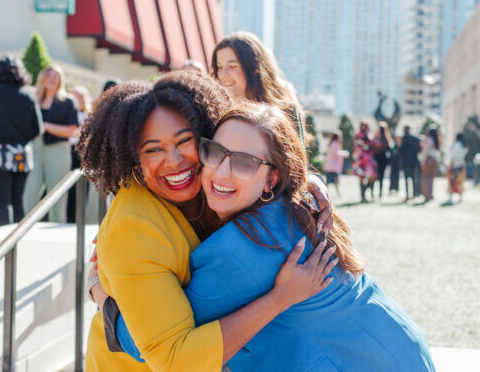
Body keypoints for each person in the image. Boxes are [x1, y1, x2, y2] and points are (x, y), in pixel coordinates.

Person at [108, 103, 436, 372]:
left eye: (245, 163)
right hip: (399, 350)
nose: (222, 171)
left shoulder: (245, 249)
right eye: (214, 152)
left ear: (272, 178)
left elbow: (152, 341)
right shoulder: (291, 210)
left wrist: (102, 294)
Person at [76, 71, 334, 372]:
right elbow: (175, 360)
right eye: (153, 149)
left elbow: (256, 153)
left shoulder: (210, 177)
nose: (174, 161)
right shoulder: (133, 227)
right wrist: (281, 298)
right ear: (133, 159)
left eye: (185, 141)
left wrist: (302, 183)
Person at [0, 55, 42, 226]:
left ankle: (6, 247)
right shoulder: (28, 96)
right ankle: (18, 243)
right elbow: (38, 129)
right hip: (22, 155)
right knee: (18, 201)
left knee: (2, 203)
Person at [211, 31, 306, 144]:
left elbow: (296, 160)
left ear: (253, 68)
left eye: (232, 66)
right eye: (219, 67)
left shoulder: (286, 112)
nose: (223, 74)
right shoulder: (214, 112)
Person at [23, 65, 78, 223]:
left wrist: (46, 126)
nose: (51, 79)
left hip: (58, 149)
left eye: (55, 76)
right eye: (48, 75)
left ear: (60, 80)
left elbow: (72, 130)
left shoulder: (67, 101)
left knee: (56, 195)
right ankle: (27, 226)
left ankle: (56, 227)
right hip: (36, 148)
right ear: (42, 78)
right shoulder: (33, 99)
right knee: (30, 191)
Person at [67, 85, 92, 223]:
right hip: (69, 150)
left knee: (83, 186)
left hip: (83, 153)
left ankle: (80, 218)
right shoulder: (68, 113)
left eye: (78, 97)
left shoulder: (89, 115)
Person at [352, 120, 377, 203]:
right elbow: (356, 146)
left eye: (366, 125)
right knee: (362, 177)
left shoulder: (370, 134)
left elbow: (373, 145)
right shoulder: (358, 135)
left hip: (369, 160)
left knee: (373, 176)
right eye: (363, 125)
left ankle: (370, 192)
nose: (364, 127)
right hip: (361, 160)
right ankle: (363, 196)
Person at [371, 121, 393, 199]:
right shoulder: (376, 138)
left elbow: (390, 149)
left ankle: (380, 193)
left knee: (381, 177)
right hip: (376, 159)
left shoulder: (386, 138)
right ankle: (373, 193)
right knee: (375, 176)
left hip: (382, 160)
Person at [445, 133, 468, 205]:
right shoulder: (463, 146)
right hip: (461, 165)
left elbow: (452, 155)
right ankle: (460, 197)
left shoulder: (456, 145)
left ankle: (450, 198)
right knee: (460, 181)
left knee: (452, 181)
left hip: (455, 165)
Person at [400, 125, 421, 201]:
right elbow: (419, 143)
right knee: (413, 178)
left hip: (406, 161)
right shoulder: (414, 138)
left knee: (407, 178)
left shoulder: (405, 137)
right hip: (414, 160)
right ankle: (414, 193)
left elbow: (401, 149)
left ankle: (408, 194)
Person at [420, 128, 440, 202]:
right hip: (434, 160)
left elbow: (425, 151)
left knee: (426, 177)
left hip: (429, 160)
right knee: (431, 178)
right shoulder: (436, 140)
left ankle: (426, 195)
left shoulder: (429, 139)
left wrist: (423, 162)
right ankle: (430, 194)